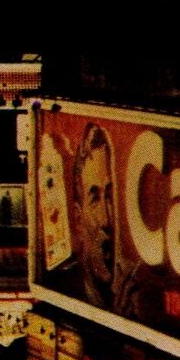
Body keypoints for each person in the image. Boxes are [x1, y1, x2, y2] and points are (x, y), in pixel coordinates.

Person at [74, 124, 120, 310]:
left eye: (108, 196)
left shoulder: (126, 293)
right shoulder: (72, 292)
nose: (105, 220)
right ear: (78, 220)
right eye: (94, 199)